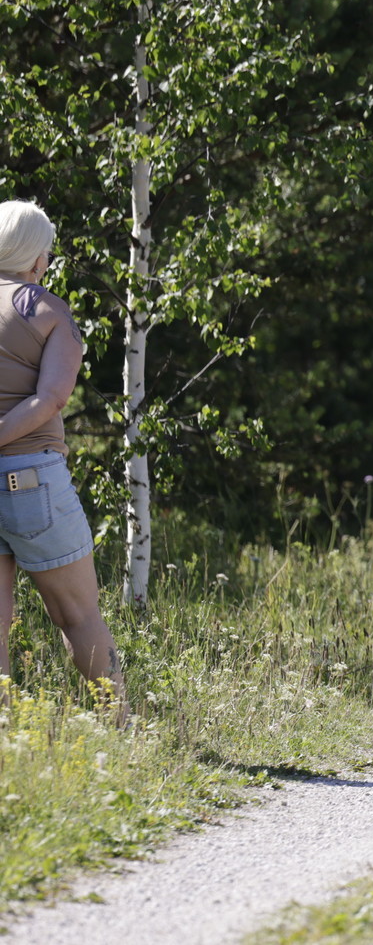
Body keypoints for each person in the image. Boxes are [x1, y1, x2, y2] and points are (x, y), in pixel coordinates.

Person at [0, 202, 126, 720]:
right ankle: (122, 727)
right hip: (32, 480)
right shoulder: (49, 311)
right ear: (35, 256)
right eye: (47, 250)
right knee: (77, 615)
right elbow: (50, 398)